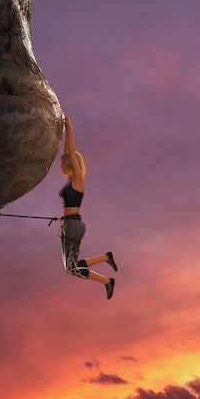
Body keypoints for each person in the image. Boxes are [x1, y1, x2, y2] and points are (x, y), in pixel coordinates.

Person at [59, 115, 117, 299]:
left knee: (72, 269)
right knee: (72, 266)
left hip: (74, 225)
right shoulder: (70, 182)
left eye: (64, 161)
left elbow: (71, 150)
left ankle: (108, 281)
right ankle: (105, 257)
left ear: (71, 163)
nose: (60, 164)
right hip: (69, 224)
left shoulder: (78, 179)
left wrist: (69, 127)